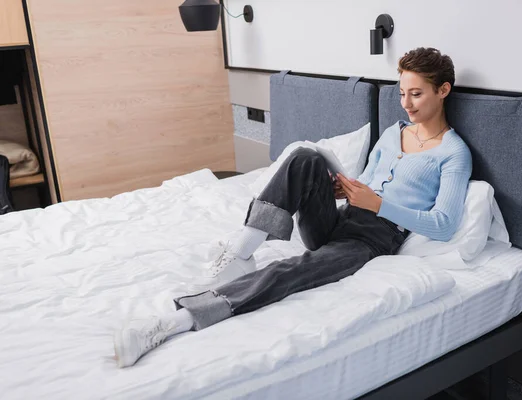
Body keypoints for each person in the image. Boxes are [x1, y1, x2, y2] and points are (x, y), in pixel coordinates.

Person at [113, 47, 473, 368]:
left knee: (291, 270)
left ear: (443, 91)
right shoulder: (393, 132)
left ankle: (174, 323)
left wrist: (377, 204)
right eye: (403, 94)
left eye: (417, 95)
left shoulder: (453, 153)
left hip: (371, 240)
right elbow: (366, 178)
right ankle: (242, 251)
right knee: (305, 158)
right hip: (343, 216)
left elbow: (443, 224)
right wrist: (343, 190)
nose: (406, 104)